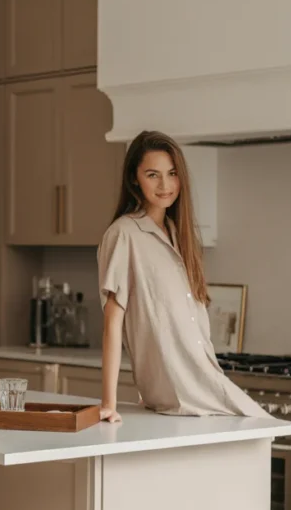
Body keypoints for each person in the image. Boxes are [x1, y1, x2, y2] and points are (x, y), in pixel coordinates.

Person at [97, 130, 268, 422]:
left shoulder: (180, 234)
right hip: (181, 391)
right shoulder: (124, 234)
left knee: (266, 432)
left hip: (204, 379)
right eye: (153, 174)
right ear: (134, 178)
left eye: (172, 173)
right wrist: (108, 404)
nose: (165, 185)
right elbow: (113, 322)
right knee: (266, 428)